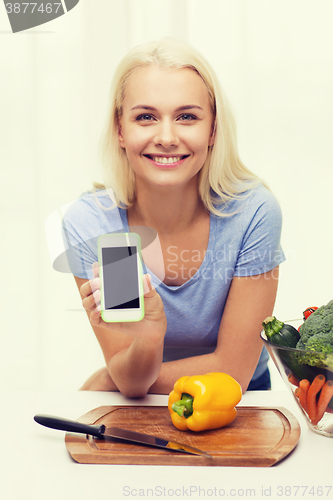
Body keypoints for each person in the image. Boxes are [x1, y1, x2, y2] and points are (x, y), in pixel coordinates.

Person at [62, 38, 285, 397]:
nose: (166, 137)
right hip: (139, 404)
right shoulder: (96, 225)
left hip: (240, 403)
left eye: (187, 117)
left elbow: (233, 373)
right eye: (146, 117)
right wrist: (149, 335)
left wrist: (110, 380)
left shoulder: (252, 213)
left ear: (212, 130)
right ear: (120, 129)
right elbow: (131, 378)